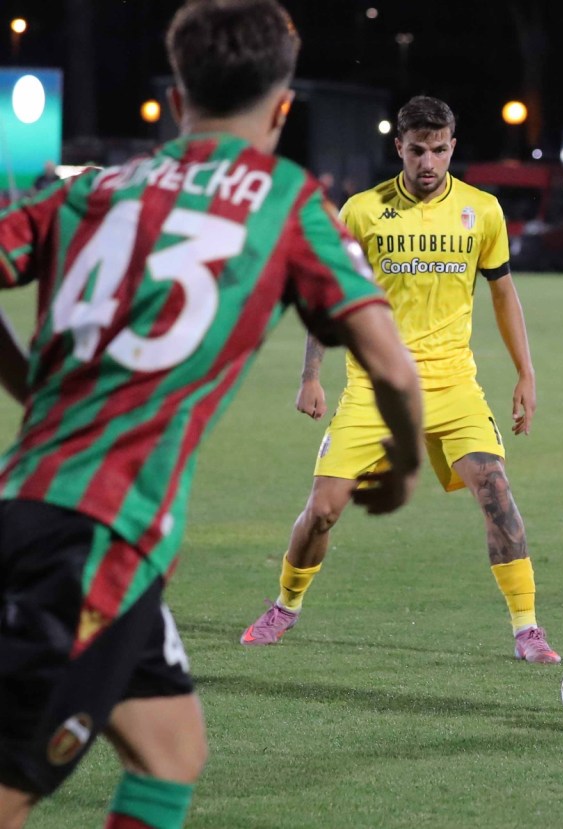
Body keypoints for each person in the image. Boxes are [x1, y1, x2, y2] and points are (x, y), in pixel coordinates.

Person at [0, 2, 423, 827]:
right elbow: (393, 368)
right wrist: (402, 464)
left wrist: (31, 390)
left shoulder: (90, 189)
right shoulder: (283, 197)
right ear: (283, 105)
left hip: (35, 506)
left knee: (170, 747)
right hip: (96, 538)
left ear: (178, 92)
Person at [241, 95, 560, 664]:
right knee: (322, 511)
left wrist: (526, 373)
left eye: (439, 150)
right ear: (400, 148)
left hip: (453, 386)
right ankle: (286, 605)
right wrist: (311, 375)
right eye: (418, 150)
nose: (429, 162)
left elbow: (503, 291)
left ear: (453, 146)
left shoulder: (482, 210)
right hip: (374, 387)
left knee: (497, 494)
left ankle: (527, 627)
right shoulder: (361, 210)